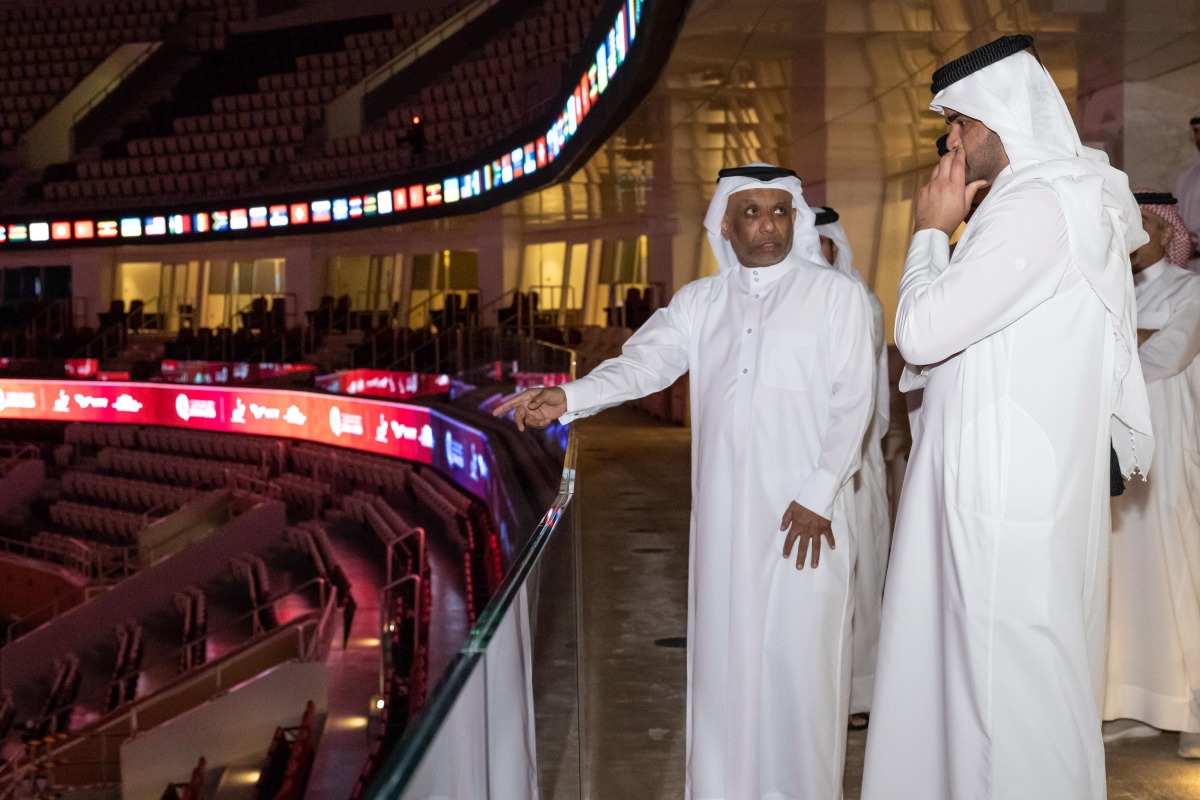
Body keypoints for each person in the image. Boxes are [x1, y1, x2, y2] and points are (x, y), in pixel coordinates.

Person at [494, 163, 877, 799]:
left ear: (796, 219)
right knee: (723, 670)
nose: (767, 226)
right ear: (725, 225)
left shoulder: (835, 297)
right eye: (750, 213)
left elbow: (854, 403)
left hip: (807, 522)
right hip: (725, 526)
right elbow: (642, 365)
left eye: (779, 211)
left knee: (801, 672)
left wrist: (819, 492)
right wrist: (568, 397)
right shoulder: (702, 302)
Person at [861, 35, 1154, 800]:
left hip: (1004, 504)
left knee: (1014, 713)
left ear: (1004, 116)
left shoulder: (1040, 205)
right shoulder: (1046, 202)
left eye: (960, 120)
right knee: (991, 705)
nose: (949, 139)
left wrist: (929, 229)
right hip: (1001, 494)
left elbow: (921, 332)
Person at [1104, 191, 1200, 758]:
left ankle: (1190, 707)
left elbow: (1170, 354)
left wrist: (1116, 346)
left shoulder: (1191, 288)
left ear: (1168, 234)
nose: (1135, 236)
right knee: (1125, 573)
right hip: (1116, 445)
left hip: (1169, 446)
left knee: (1178, 565)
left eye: (1144, 225)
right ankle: (1134, 700)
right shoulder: (1111, 290)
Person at [814, 206, 891, 731]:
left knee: (859, 578)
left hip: (857, 460)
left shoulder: (861, 302)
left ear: (836, 248)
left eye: (821, 245)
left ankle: (858, 693)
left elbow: (866, 400)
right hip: (801, 462)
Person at [1173, 116, 1200, 272]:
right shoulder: (1186, 175)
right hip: (1189, 261)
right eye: (1196, 132)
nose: (1198, 137)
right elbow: (1176, 213)